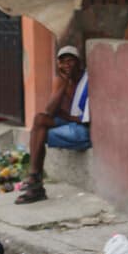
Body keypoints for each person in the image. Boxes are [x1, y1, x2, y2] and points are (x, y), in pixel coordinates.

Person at [16, 45, 91, 204]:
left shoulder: (87, 80)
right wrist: (63, 86)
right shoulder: (61, 81)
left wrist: (68, 116)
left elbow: (84, 119)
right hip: (70, 121)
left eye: (70, 61)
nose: (67, 65)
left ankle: (35, 184)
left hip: (83, 131)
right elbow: (50, 111)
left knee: (38, 136)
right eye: (62, 62)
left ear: (79, 63)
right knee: (39, 120)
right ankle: (34, 177)